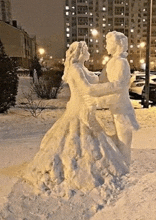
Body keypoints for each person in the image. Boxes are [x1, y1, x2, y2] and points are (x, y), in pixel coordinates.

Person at [23, 41, 128, 196]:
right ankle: (75, 174)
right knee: (77, 142)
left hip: (87, 109)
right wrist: (114, 86)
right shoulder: (75, 69)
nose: (88, 52)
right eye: (86, 50)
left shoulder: (83, 68)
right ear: (79, 53)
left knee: (96, 142)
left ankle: (102, 170)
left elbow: (96, 81)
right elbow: (87, 89)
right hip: (79, 109)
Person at [95, 31, 139, 165]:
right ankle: (122, 164)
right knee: (119, 140)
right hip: (116, 108)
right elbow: (101, 81)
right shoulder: (111, 62)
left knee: (123, 142)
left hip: (122, 109)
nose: (106, 46)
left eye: (109, 43)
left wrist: (97, 98)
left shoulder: (121, 62)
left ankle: (125, 166)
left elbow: (117, 85)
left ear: (117, 44)